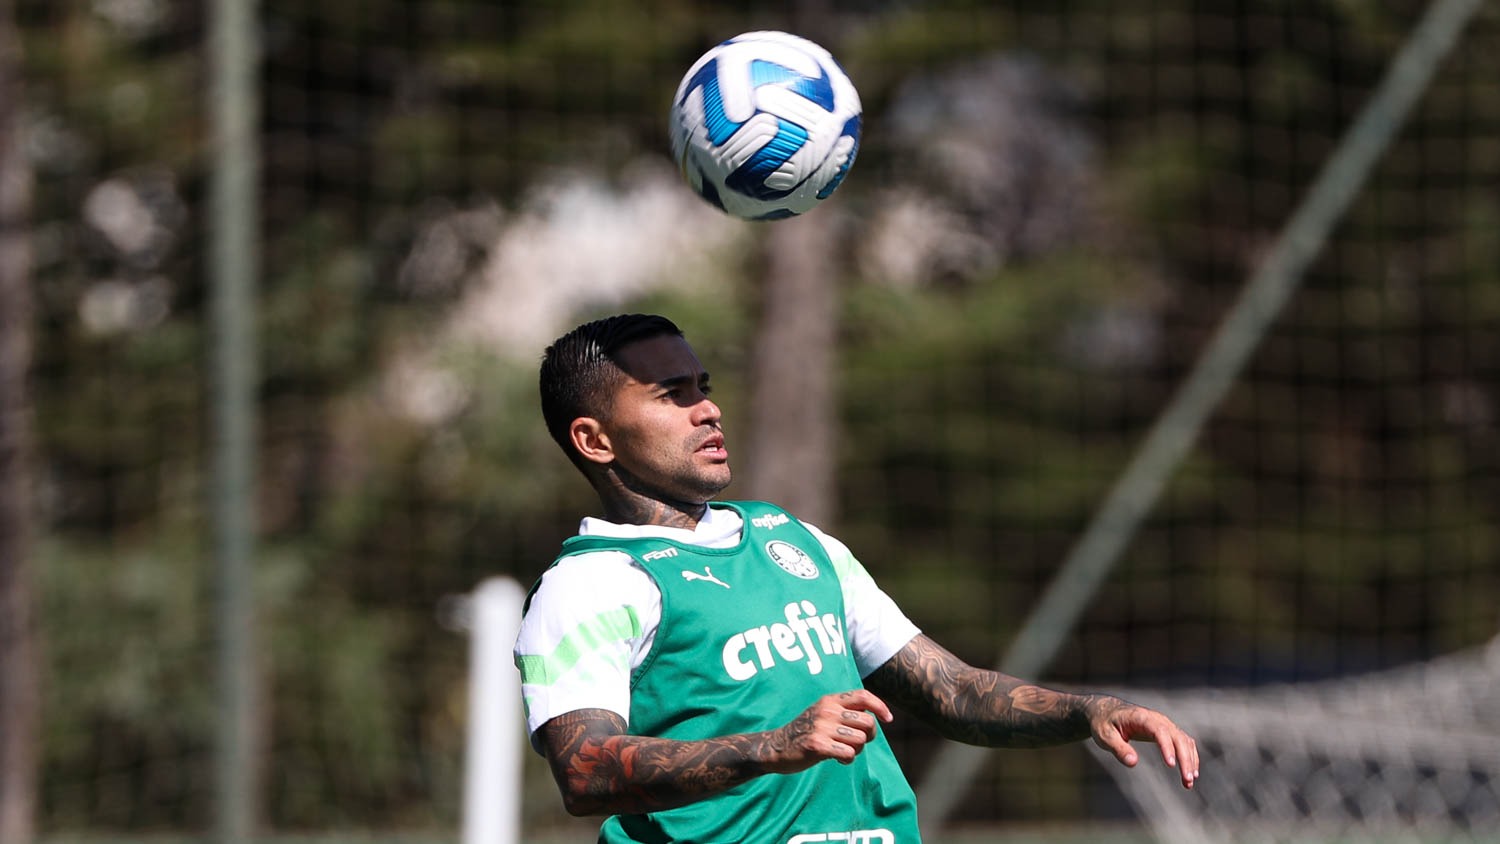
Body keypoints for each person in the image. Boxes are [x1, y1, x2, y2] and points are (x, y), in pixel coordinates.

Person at [515, 313, 1199, 844]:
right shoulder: (591, 584)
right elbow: (586, 771)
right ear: (595, 440)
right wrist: (774, 746)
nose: (708, 409)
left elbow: (953, 691)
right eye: (672, 395)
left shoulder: (793, 540)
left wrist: (1088, 711)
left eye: (704, 387)